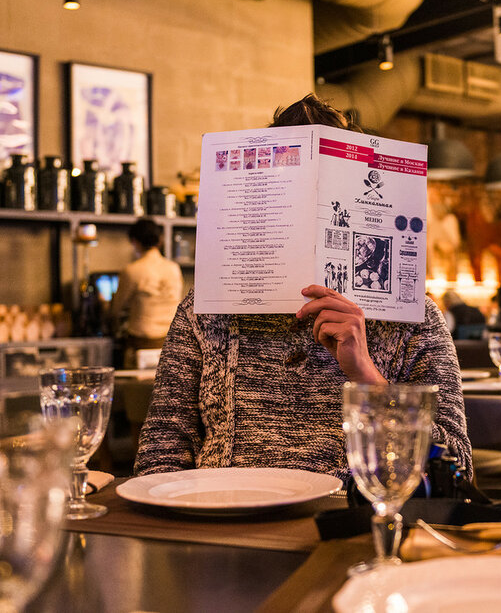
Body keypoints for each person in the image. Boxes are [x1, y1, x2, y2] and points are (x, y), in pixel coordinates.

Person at [134, 94, 472, 479]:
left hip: (351, 515)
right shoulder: (206, 312)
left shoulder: (414, 318)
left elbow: (457, 468)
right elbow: (159, 457)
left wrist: (368, 377)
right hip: (226, 512)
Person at [110, 218, 185, 367]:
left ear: (134, 241)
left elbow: (116, 310)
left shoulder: (131, 271)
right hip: (173, 343)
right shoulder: (174, 268)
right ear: (160, 240)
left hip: (141, 344)